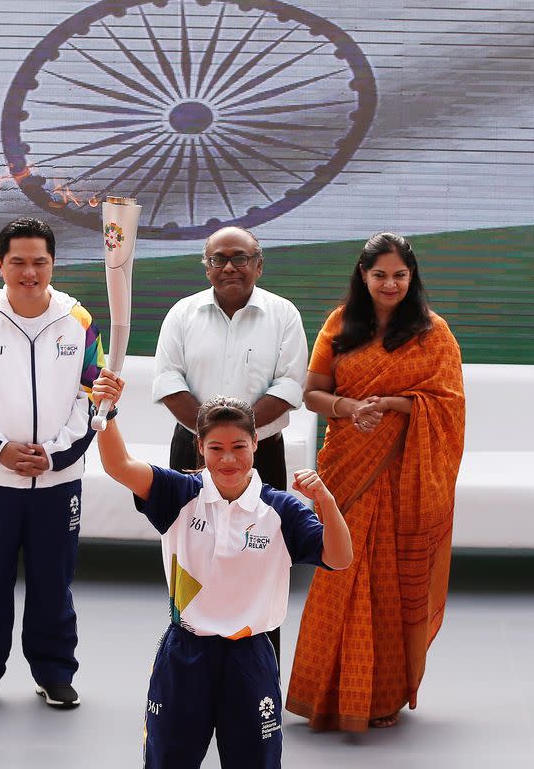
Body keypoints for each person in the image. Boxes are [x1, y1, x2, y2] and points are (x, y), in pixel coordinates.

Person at [93, 372, 352, 768]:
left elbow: (339, 558)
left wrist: (326, 501)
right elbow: (118, 465)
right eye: (216, 448)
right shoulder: (178, 492)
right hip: (185, 656)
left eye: (239, 446)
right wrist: (107, 411)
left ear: (255, 445)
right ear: (199, 448)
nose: (228, 459)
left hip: (250, 658)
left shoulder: (282, 509)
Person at [286, 232, 465, 731]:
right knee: (338, 572)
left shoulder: (433, 333)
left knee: (386, 581)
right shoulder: (341, 323)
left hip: (401, 473)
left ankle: (379, 695)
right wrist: (349, 408)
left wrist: (389, 405)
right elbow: (313, 393)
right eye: (380, 274)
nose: (390, 284)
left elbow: (448, 405)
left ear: (412, 278)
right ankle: (323, 693)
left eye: (400, 275)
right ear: (363, 276)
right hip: (348, 467)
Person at [0, 217, 104, 710]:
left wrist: (54, 454)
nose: (29, 272)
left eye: (39, 262)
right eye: (18, 262)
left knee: (54, 581)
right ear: (0, 264)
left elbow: (91, 396)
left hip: (57, 482)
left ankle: (54, 672)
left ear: (53, 263)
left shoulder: (79, 321)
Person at [152, 225, 308, 663]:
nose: (229, 267)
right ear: (206, 268)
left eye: (240, 258)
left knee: (261, 565)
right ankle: (189, 671)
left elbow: (290, 385)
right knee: (191, 565)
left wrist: (236, 443)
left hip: (261, 457)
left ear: (259, 264)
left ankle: (261, 677)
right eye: (218, 259)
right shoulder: (183, 313)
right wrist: (211, 442)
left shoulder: (283, 315)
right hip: (191, 453)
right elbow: (168, 381)